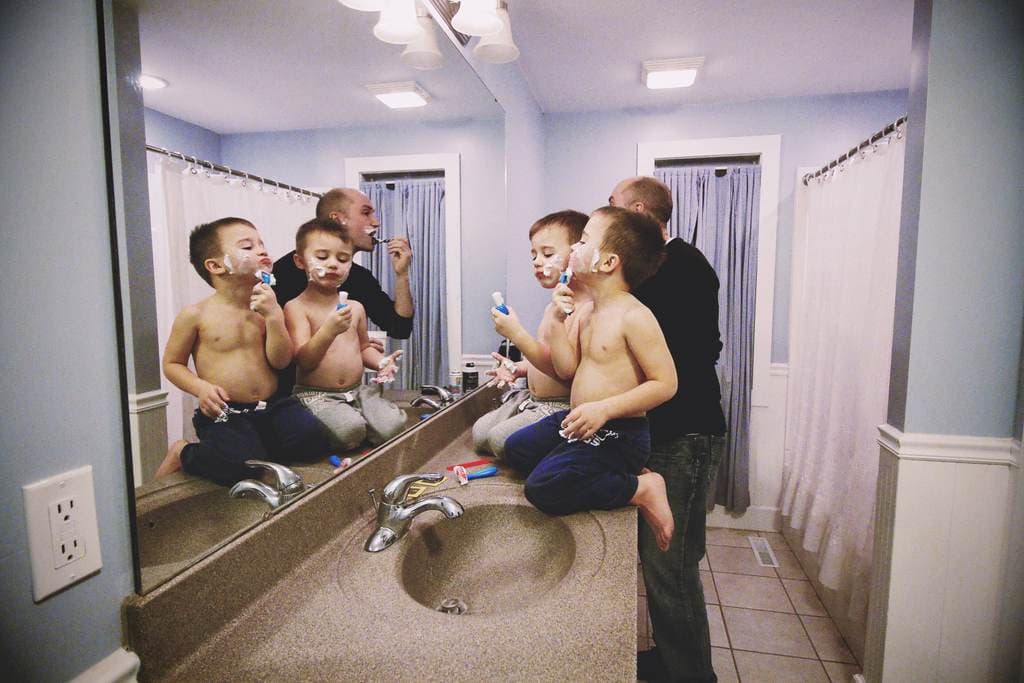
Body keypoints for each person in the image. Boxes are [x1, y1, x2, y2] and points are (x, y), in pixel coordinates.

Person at [503, 206, 678, 551]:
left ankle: (642, 487)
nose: (576, 249)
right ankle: (597, 468)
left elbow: (666, 383)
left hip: (617, 432)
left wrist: (606, 409)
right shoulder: (589, 310)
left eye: (583, 241)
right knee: (516, 449)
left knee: (542, 487)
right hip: (579, 422)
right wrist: (554, 319)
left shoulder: (634, 315)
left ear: (608, 262)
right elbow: (569, 368)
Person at [611, 176, 727, 683]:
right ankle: (669, 660)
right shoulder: (672, 266)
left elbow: (684, 356)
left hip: (685, 438)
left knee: (672, 568)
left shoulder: (675, 267)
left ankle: (692, 676)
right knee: (664, 569)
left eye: (614, 209)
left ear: (638, 211)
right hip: (677, 434)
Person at [154, 217, 329, 484]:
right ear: (215, 266)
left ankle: (257, 449)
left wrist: (274, 317)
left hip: (273, 406)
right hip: (227, 412)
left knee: (314, 441)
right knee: (239, 467)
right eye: (247, 247)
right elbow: (171, 364)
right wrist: (201, 388)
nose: (261, 250)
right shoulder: (196, 315)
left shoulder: (266, 307)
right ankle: (184, 452)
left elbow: (281, 362)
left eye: (261, 243)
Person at [272, 188, 413, 395]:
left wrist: (402, 275)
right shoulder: (284, 273)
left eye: (342, 259)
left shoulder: (360, 278)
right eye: (366, 213)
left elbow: (399, 328)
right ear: (338, 220)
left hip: (345, 394)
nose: (376, 222)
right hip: (292, 396)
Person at [472, 210, 589, 458]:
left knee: (500, 440)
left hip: (560, 405)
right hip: (532, 398)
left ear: (578, 252)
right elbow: (546, 357)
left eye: (547, 254)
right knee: (480, 434)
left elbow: (565, 371)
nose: (537, 261)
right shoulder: (553, 306)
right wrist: (520, 367)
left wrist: (517, 334)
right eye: (533, 254)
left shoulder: (583, 308)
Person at [283, 218, 407, 451]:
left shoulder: (356, 307)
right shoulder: (296, 308)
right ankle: (352, 425)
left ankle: (360, 420)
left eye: (342, 259)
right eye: (322, 257)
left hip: (358, 391)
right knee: (350, 431)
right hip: (317, 394)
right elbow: (304, 361)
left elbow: (362, 348)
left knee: (392, 427)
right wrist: (328, 332)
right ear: (300, 262)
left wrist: (381, 362)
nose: (333, 264)